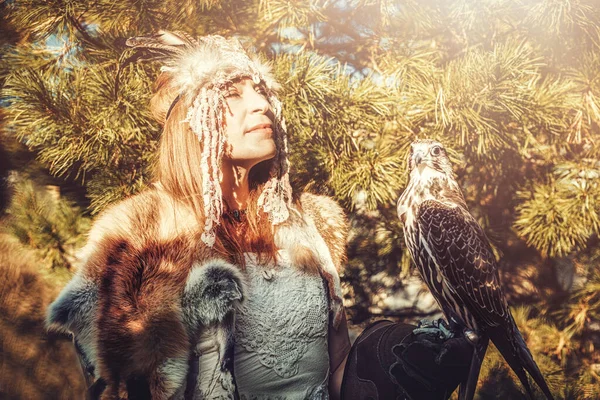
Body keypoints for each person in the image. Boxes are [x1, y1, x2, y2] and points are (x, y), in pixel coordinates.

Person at [46, 32, 471, 400]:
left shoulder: (309, 225)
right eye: (233, 94)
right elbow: (115, 384)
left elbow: (336, 365)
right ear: (189, 122)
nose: (261, 104)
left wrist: (383, 371)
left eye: (262, 91)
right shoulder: (139, 235)